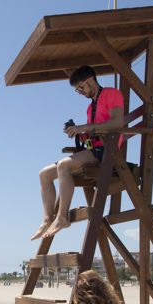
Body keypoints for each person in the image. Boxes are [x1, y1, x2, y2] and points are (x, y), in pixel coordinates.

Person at [31, 65, 125, 241]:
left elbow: (118, 122)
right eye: (78, 90)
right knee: (44, 174)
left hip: (107, 151)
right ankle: (46, 220)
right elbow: (93, 134)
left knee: (64, 166)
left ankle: (62, 217)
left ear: (90, 81)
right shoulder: (90, 108)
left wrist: (85, 127)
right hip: (93, 150)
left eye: (81, 87)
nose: (80, 92)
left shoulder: (111, 94)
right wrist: (79, 134)